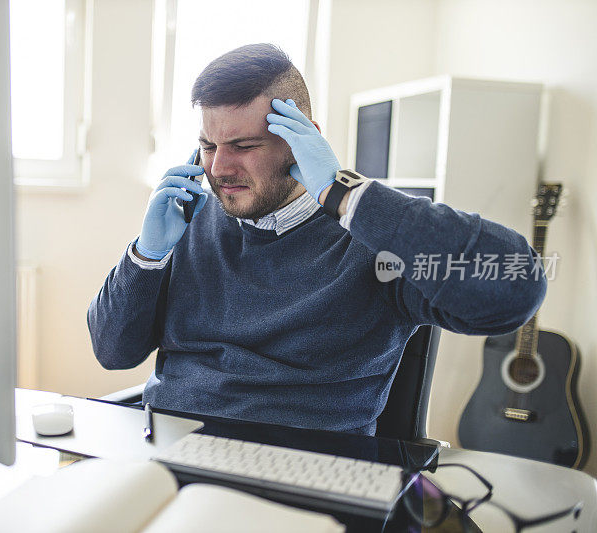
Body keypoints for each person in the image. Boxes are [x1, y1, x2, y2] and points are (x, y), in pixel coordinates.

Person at [87, 44, 546, 435]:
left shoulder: (375, 236)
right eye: (208, 146)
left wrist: (346, 194)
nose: (219, 169)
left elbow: (517, 287)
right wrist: (146, 256)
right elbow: (112, 352)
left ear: (303, 140)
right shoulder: (189, 219)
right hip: (169, 451)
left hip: (304, 469)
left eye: (244, 147)